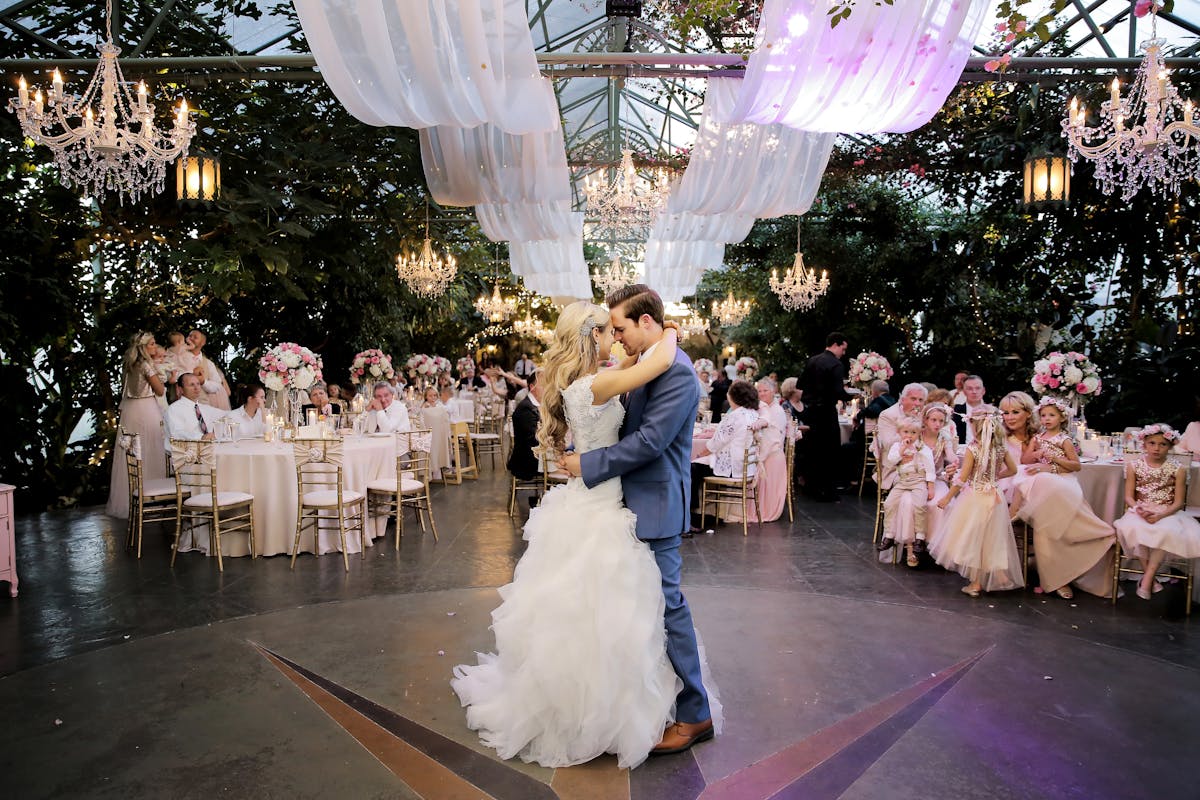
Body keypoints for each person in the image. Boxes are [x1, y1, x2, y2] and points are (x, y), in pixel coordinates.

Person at [452, 296, 720, 769]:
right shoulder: (618, 372)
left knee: (663, 605)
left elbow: (652, 440)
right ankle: (620, 707)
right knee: (623, 610)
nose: (617, 339)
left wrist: (587, 462)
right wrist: (669, 334)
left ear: (644, 322)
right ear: (591, 336)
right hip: (616, 502)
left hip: (647, 501)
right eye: (609, 331)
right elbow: (635, 414)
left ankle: (693, 712)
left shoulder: (672, 370)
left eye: (621, 329)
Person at [1007, 397, 1115, 598]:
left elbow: (1076, 465)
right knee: (1029, 475)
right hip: (1043, 478)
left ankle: (1087, 530)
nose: (1047, 419)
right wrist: (1038, 453)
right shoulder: (1037, 438)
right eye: (1044, 415)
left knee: (1046, 481)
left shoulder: (1064, 439)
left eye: (1052, 415)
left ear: (1061, 418)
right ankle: (1017, 511)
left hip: (1062, 479)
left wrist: (1053, 462)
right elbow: (1025, 460)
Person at [929, 407, 1023, 596]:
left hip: (975, 498)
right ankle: (999, 574)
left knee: (974, 539)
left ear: (975, 426)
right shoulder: (1000, 447)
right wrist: (996, 477)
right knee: (992, 538)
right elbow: (1013, 470)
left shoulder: (973, 449)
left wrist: (947, 498)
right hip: (995, 497)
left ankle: (976, 583)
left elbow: (962, 479)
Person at [1113, 424, 1200, 600]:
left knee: (1166, 531)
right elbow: (1129, 497)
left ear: (1170, 446)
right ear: (1144, 444)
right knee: (1136, 529)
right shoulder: (1134, 465)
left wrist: (1161, 515)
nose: (1157, 448)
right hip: (1139, 509)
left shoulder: (1177, 469)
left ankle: (1146, 581)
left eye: (1163, 444)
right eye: (1152, 443)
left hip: (1167, 512)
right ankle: (1150, 579)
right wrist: (1139, 509)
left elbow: (1178, 502)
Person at [105, 332, 168, 519]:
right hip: (146, 409)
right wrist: (158, 373)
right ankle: (152, 498)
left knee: (133, 453)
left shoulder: (129, 365)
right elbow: (160, 390)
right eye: (152, 344)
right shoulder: (146, 365)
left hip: (130, 409)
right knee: (151, 450)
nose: (155, 347)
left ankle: (130, 497)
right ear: (143, 347)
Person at [691, 380, 761, 530]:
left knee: (691, 469)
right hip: (746, 468)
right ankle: (701, 512)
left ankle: (691, 515)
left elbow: (716, 443)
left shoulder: (735, 416)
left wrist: (698, 455)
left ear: (733, 397)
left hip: (732, 469)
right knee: (697, 466)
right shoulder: (753, 414)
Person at [798, 332, 854, 501]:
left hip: (810, 412)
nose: (843, 353)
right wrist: (851, 396)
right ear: (835, 345)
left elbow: (800, 384)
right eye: (843, 349)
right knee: (830, 450)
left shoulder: (813, 360)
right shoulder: (835, 364)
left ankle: (811, 487)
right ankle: (827, 491)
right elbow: (838, 392)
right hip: (826, 412)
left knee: (813, 449)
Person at [877, 417, 935, 568]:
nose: (909, 435)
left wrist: (930, 486)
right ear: (899, 432)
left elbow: (930, 468)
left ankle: (919, 537)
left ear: (919, 433)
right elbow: (891, 461)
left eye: (913, 432)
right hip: (903, 481)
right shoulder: (897, 446)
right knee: (890, 503)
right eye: (906, 432)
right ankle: (889, 535)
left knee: (920, 505)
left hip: (918, 481)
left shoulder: (922, 448)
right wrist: (902, 450)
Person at [732, 379, 788, 523]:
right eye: (759, 391)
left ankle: (757, 510)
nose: (762, 394)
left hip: (771, 456)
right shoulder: (762, 409)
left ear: (774, 391)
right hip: (765, 453)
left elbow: (772, 440)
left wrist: (757, 459)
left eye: (765, 391)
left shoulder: (776, 411)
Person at [921, 403, 959, 543]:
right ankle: (915, 541)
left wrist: (954, 461)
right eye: (934, 420)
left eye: (941, 421)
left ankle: (936, 543)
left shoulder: (943, 437)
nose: (937, 424)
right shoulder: (917, 434)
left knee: (941, 504)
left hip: (937, 479)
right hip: (917, 479)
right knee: (913, 502)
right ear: (925, 420)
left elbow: (950, 454)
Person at [506, 370, 541, 483]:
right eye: (545, 384)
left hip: (534, 456)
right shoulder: (526, 408)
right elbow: (533, 440)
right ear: (532, 387)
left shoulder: (534, 405)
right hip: (527, 462)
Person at [166, 373, 221, 442]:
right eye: (192, 385)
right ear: (181, 389)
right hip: (184, 451)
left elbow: (226, 414)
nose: (196, 388)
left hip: (208, 448)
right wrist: (201, 437)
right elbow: (177, 433)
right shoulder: (174, 409)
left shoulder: (204, 408)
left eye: (198, 384)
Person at [188, 330, 232, 411]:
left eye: (195, 337)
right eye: (189, 336)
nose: (191, 339)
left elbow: (217, 386)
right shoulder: (178, 358)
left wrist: (203, 382)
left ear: (202, 342)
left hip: (203, 408)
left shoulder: (208, 364)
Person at [953, 375, 987, 444]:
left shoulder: (992, 412)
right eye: (970, 388)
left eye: (978, 388)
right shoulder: (955, 411)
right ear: (964, 392)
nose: (974, 392)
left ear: (983, 391)